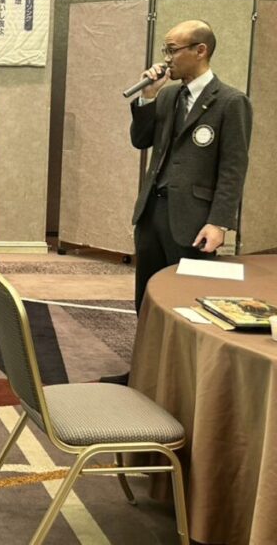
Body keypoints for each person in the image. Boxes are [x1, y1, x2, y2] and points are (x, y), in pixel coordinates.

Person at [104, 19, 252, 384]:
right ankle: (144, 373)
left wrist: (219, 222)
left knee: (188, 302)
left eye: (173, 50)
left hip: (195, 220)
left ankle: (183, 382)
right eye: (165, 51)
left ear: (200, 51)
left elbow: (233, 169)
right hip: (153, 212)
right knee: (148, 298)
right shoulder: (169, 95)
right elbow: (141, 140)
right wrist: (148, 97)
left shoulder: (231, 102)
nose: (166, 58)